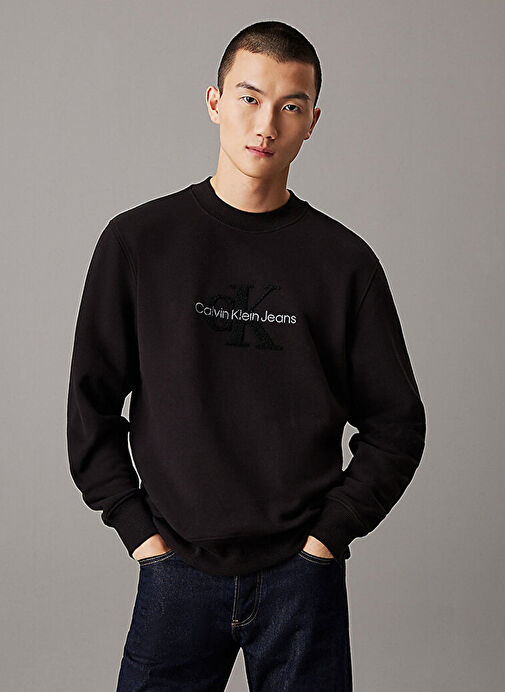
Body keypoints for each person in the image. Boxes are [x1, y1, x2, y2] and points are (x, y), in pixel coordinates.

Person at [66, 20, 426, 691]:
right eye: (249, 98)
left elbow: (397, 424)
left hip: (301, 576)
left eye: (290, 106)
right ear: (214, 102)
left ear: (312, 122)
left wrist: (329, 537)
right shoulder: (139, 242)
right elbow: (91, 403)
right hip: (174, 570)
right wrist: (138, 532)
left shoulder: (344, 263)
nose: (266, 125)